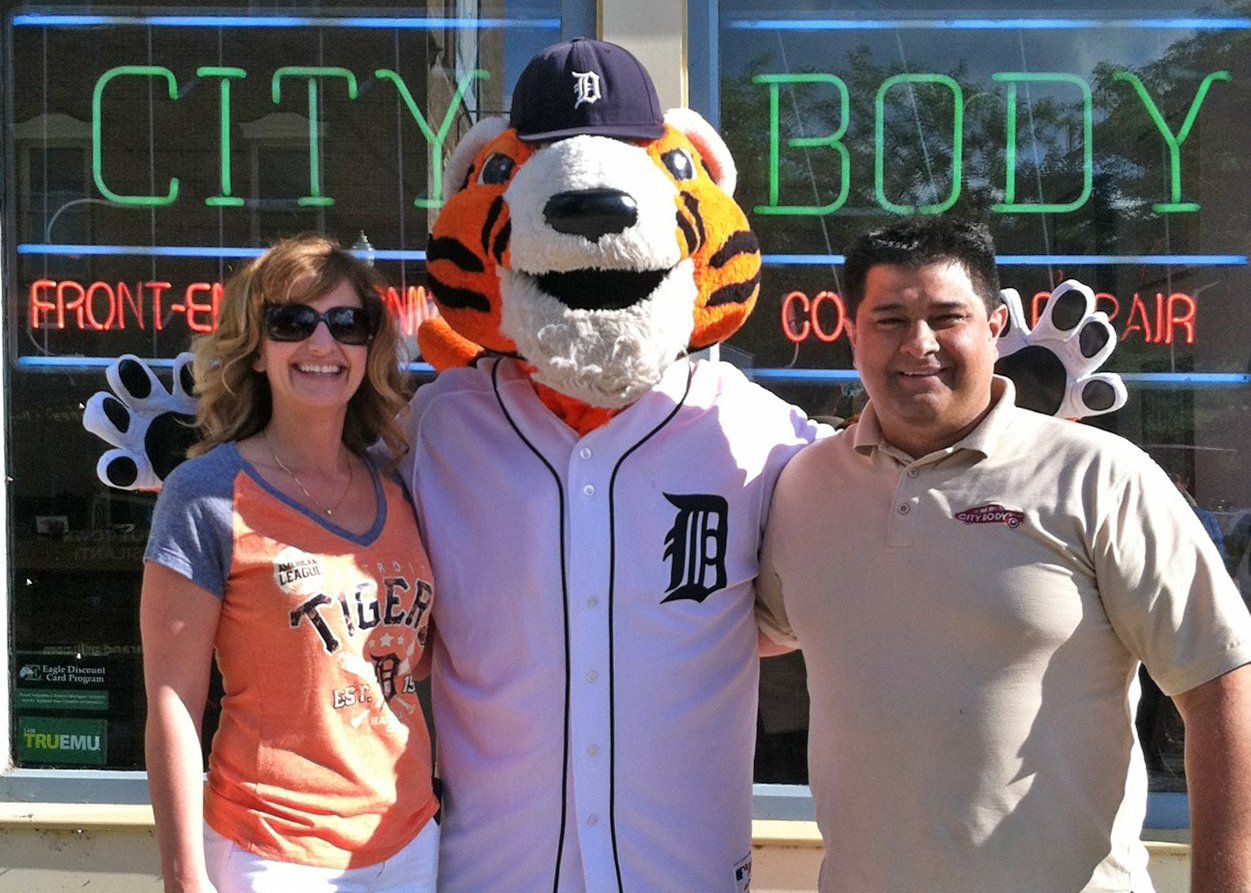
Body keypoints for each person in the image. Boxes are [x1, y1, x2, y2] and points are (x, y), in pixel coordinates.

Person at [756, 217, 1251, 893]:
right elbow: (755, 633)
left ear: (993, 326)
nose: (918, 343)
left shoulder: (1101, 476)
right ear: (852, 333)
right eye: (889, 318)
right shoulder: (802, 489)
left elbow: (1219, 682)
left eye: (946, 316)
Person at [141, 235, 439, 893]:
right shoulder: (207, 494)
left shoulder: (398, 481)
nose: (322, 344)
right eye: (292, 322)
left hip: (411, 842)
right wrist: (184, 877)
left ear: (370, 345)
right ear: (255, 345)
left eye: (346, 323)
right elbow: (173, 705)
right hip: (273, 854)